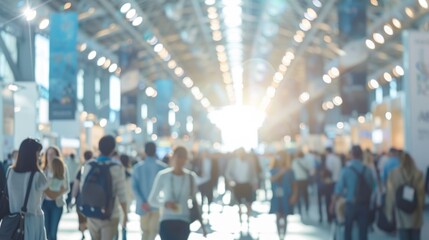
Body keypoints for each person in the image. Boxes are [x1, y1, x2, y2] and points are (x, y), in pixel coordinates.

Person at [7, 138, 66, 240]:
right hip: (32, 221)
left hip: (12, 221)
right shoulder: (37, 175)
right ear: (32, 154)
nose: (40, 156)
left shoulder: (10, 172)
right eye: (39, 153)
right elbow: (51, 195)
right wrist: (63, 189)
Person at [80, 135, 128, 240]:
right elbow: (122, 194)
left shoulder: (89, 165)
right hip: (110, 214)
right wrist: (125, 215)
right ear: (113, 149)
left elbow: (82, 188)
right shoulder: (116, 167)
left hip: (92, 212)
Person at [148, 146, 201, 240]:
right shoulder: (163, 175)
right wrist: (165, 204)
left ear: (186, 159)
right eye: (178, 156)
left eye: (183, 157)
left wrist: (202, 223)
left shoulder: (190, 177)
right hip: (167, 220)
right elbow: (152, 200)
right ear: (172, 157)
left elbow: (194, 200)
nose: (180, 160)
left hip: (184, 220)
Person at [331, 145, 375, 240]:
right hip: (364, 204)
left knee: (348, 229)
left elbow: (339, 189)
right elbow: (372, 186)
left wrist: (332, 203)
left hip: (351, 203)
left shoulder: (346, 170)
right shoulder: (367, 170)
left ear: (351, 155)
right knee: (363, 231)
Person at [385, 152, 425, 240]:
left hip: (401, 212)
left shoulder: (393, 174)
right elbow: (421, 195)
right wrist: (421, 207)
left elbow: (390, 195)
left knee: (403, 235)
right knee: (415, 236)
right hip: (415, 213)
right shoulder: (419, 174)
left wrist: (389, 213)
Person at [132, 142, 167, 240]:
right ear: (155, 151)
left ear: (145, 151)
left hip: (143, 205)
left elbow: (134, 187)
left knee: (145, 231)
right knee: (154, 231)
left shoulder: (137, 168)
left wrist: (142, 201)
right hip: (157, 204)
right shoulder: (162, 168)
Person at [42, 146, 70, 240]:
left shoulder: (63, 168)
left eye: (52, 154)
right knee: (46, 231)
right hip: (44, 203)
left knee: (53, 233)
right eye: (48, 154)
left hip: (57, 204)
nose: (50, 156)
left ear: (57, 155)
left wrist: (54, 194)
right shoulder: (43, 169)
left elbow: (67, 188)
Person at [269, 151, 298, 239]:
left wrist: (294, 195)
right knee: (277, 215)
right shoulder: (273, 170)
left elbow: (294, 184)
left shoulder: (290, 171)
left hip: (286, 195)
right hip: (276, 196)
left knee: (285, 216)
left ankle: (283, 236)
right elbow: (272, 179)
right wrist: (281, 172)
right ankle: (279, 235)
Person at [225, 148, 258, 224]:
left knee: (249, 203)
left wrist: (255, 183)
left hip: (247, 184)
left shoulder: (249, 161)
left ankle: (248, 219)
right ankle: (240, 220)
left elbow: (253, 173)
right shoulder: (233, 161)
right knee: (238, 203)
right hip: (237, 184)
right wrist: (231, 180)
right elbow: (227, 173)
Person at [71, 150, 93, 240]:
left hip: (81, 197)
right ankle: (91, 232)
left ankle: (83, 232)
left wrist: (73, 198)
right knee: (91, 217)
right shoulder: (94, 167)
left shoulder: (82, 169)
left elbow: (76, 185)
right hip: (93, 198)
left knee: (81, 216)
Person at [322, 147, 341, 223]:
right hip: (337, 181)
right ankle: (336, 216)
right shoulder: (337, 158)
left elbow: (329, 171)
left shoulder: (329, 159)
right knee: (336, 199)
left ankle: (330, 216)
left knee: (329, 200)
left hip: (330, 182)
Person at [291, 150, 312, 216]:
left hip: (297, 180)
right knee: (306, 195)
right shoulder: (306, 161)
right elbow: (309, 169)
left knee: (298, 195)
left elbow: (292, 171)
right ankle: (307, 208)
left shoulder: (294, 162)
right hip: (305, 180)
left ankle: (300, 209)